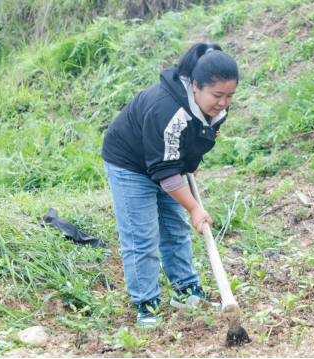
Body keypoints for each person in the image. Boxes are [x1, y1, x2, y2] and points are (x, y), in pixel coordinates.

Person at [101, 42, 239, 326]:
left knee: (175, 228)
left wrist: (191, 161)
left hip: (165, 160)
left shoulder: (215, 107)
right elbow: (164, 170)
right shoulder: (168, 109)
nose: (223, 102)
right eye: (217, 95)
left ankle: (186, 292)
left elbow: (197, 135)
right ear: (196, 85)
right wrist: (194, 208)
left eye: (229, 95)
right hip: (130, 162)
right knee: (142, 236)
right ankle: (146, 304)